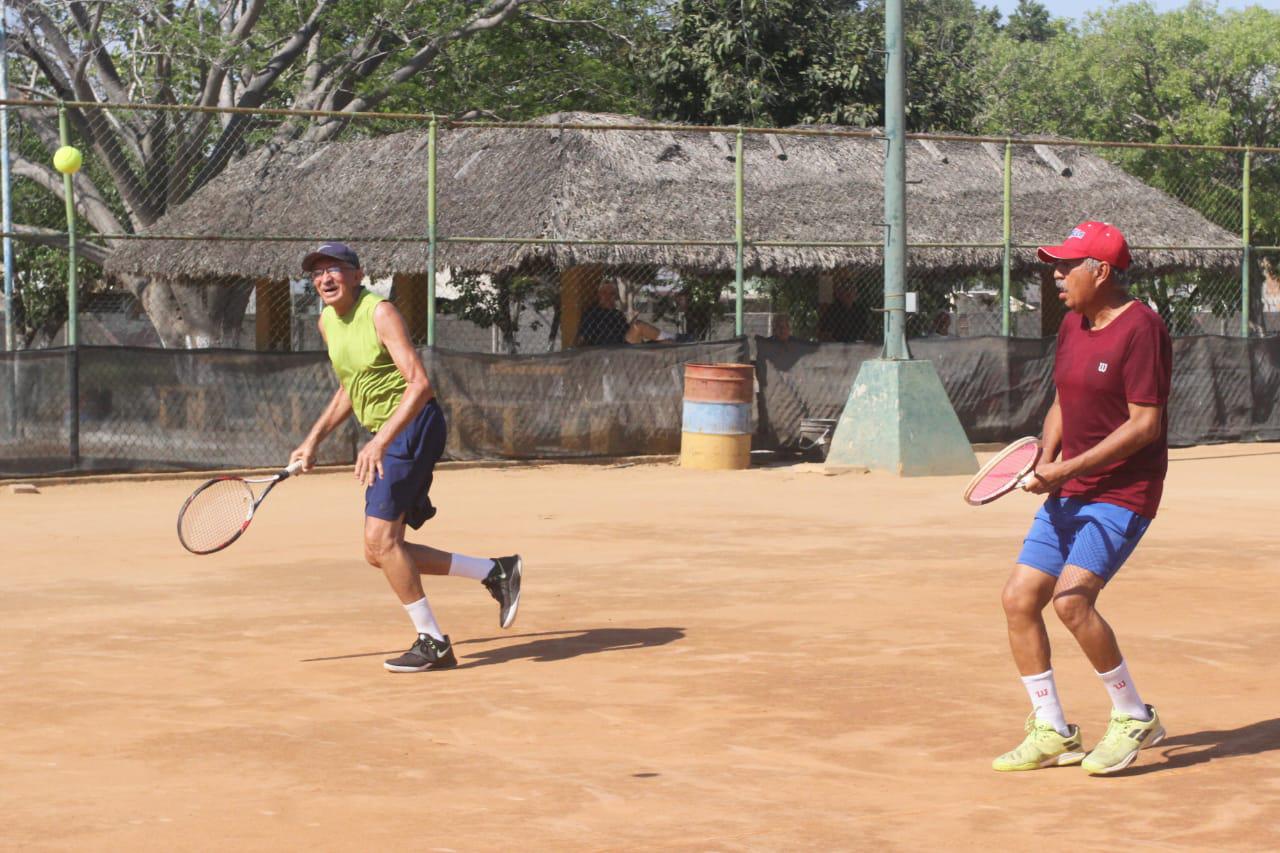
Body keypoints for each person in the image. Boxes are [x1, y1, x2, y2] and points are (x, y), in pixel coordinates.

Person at [289, 242, 523, 673]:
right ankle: (495, 570)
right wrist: (313, 440)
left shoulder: (380, 313)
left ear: (357, 275)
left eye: (334, 269)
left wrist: (380, 441)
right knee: (378, 551)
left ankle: (433, 642)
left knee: (383, 541)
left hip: (413, 424)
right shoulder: (327, 322)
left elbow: (419, 384)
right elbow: (349, 388)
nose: (325, 278)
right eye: (317, 271)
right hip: (389, 432)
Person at [993, 221, 1172, 775]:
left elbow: (1145, 425)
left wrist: (1065, 467)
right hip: (1070, 487)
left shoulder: (1142, 328)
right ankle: (1052, 730)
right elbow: (1065, 401)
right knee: (1020, 600)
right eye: (1056, 264)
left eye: (1067, 266)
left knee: (1071, 601)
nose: (1056, 275)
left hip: (1123, 492)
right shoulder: (1073, 323)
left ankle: (1132, 714)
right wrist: (1048, 458)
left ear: (1101, 271)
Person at [575, 280, 673, 346]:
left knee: (666, 343)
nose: (608, 297)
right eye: (604, 293)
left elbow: (626, 332)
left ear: (615, 297)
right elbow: (582, 338)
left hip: (625, 345)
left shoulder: (617, 314)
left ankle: (673, 340)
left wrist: (631, 324)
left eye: (611, 294)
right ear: (599, 295)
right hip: (610, 349)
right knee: (638, 326)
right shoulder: (592, 313)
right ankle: (677, 338)